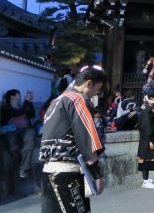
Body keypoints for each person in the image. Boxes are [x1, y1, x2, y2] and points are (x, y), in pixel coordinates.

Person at [40, 66, 107, 213]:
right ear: (88, 83)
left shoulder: (57, 100)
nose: (95, 94)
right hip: (67, 173)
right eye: (97, 90)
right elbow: (87, 140)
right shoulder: (78, 100)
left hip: (48, 170)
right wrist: (97, 175)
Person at [1, 89, 36, 178]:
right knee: (13, 145)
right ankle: (19, 164)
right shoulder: (5, 108)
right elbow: (17, 113)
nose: (20, 96)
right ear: (12, 96)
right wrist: (26, 101)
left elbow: (32, 114)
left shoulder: (22, 106)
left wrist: (30, 102)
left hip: (25, 129)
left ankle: (24, 169)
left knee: (30, 135)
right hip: (11, 130)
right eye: (18, 94)